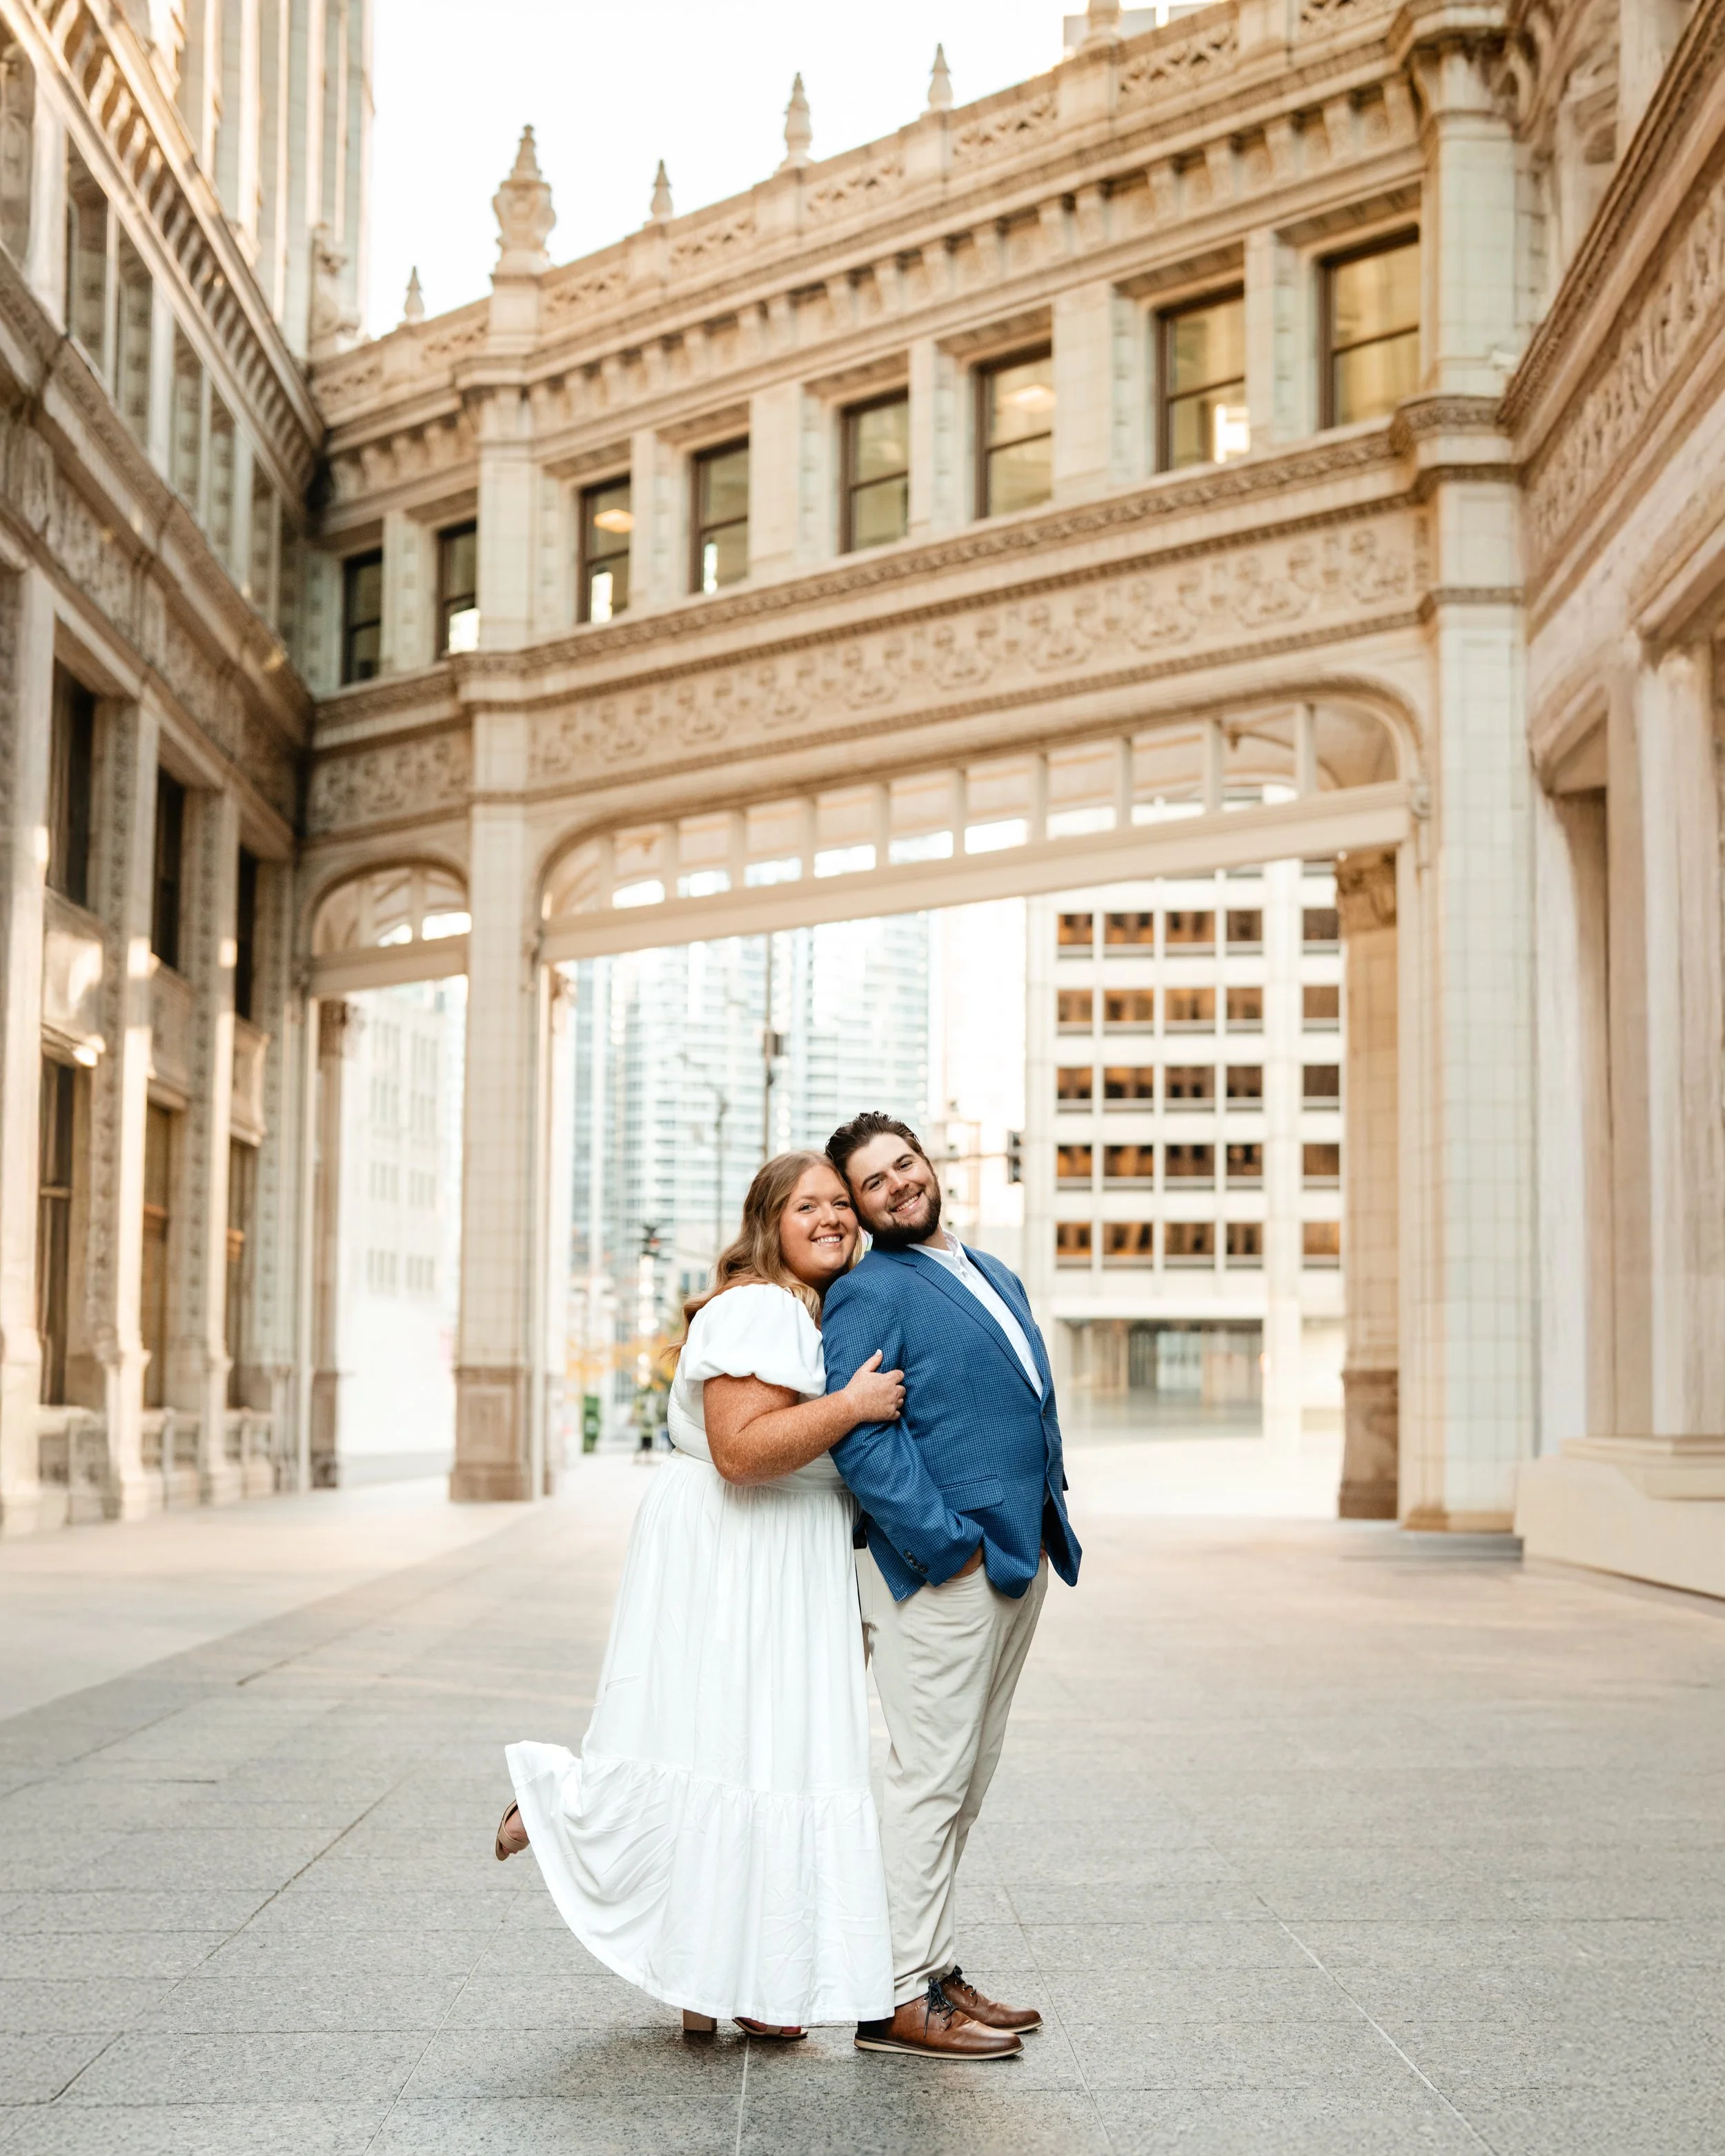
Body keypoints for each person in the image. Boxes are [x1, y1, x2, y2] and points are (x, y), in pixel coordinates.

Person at [494, 1151, 903, 2039]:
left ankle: (719, 1984)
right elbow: (742, 1451)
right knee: (743, 1749)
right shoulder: (759, 1305)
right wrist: (856, 1404)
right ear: (769, 1222)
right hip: (742, 1547)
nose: (832, 1216)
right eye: (808, 1205)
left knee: (743, 1755)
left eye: (843, 1204)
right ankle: (564, 1803)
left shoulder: (804, 1309)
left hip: (772, 1548)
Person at [822, 1111, 1081, 2063]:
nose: (897, 1186)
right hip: (945, 1573)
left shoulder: (991, 1269)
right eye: (873, 1183)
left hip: (1020, 1554)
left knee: (965, 1779)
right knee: (928, 1781)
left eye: (904, 1165)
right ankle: (892, 1995)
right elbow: (860, 1434)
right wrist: (944, 1547)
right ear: (859, 1207)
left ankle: (928, 1966)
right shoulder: (869, 1291)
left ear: (928, 1165)